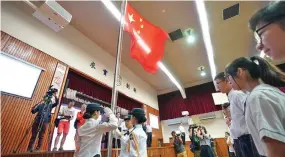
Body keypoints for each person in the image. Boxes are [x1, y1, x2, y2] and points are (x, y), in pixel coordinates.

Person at [225, 56, 285, 157]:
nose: (229, 81)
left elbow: (275, 147)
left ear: (239, 72)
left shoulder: (257, 97)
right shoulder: (272, 91)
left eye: (229, 77)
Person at [215, 72, 259, 157]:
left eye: (218, 83)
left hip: (247, 138)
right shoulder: (231, 96)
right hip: (240, 139)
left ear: (227, 80)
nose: (217, 87)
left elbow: (252, 112)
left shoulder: (236, 94)